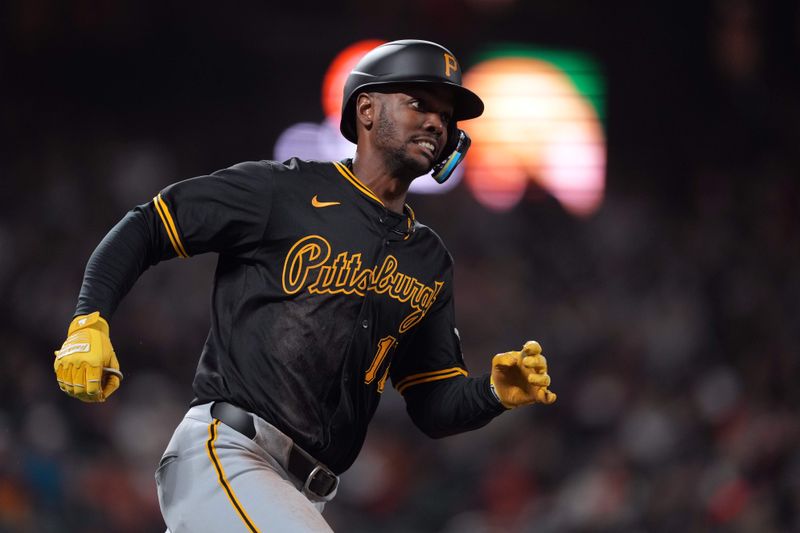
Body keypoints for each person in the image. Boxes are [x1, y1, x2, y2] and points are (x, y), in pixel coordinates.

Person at [53, 39, 557, 532]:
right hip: (229, 454)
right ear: (366, 109)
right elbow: (148, 226)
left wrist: (493, 392)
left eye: (447, 116)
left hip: (303, 494)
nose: (436, 122)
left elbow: (432, 402)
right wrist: (88, 319)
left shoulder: (429, 260)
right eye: (418, 103)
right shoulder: (283, 191)